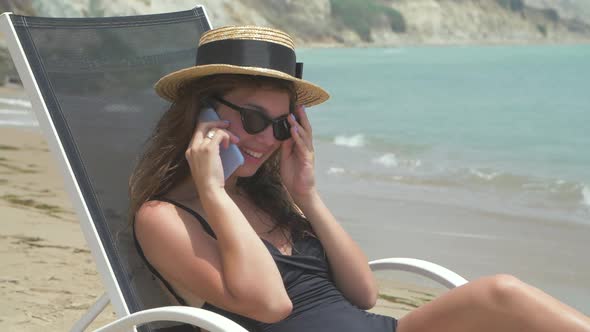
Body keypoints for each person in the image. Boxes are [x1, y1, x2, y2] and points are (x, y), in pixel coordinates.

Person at [129, 26, 590, 332]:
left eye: (281, 124)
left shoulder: (264, 196)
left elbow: (363, 294)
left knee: (501, 293)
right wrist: (212, 189)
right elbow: (271, 304)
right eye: (253, 119)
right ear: (204, 115)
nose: (268, 138)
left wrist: (307, 195)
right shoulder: (165, 217)